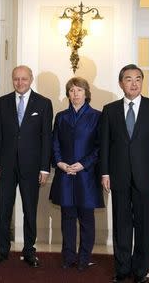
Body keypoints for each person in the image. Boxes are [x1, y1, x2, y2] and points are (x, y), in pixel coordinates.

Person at [101, 64, 149, 283]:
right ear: (121, 83)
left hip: (145, 175)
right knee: (121, 223)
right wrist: (105, 172)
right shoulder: (110, 110)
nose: (134, 83)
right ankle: (122, 268)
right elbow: (105, 146)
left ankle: (140, 270)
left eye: (138, 79)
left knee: (143, 224)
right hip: (118, 175)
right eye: (128, 79)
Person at [0, 65, 53, 267]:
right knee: (4, 210)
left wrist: (45, 168)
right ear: (12, 79)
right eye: (16, 78)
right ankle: (2, 251)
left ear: (31, 79)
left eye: (24, 79)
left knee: (29, 210)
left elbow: (46, 138)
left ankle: (29, 251)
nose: (20, 82)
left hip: (32, 167)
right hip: (6, 165)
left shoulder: (43, 104)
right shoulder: (2, 102)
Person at [49, 77, 104, 271]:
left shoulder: (97, 116)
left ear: (86, 93)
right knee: (67, 218)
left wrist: (83, 164)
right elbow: (54, 143)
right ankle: (68, 257)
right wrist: (60, 163)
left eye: (79, 90)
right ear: (68, 94)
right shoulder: (61, 116)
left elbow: (100, 147)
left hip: (86, 175)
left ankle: (84, 258)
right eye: (72, 90)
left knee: (87, 220)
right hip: (65, 174)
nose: (75, 94)